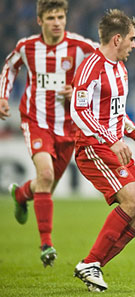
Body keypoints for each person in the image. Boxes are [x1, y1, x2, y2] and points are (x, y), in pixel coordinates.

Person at [0, 0, 97, 267]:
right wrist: (2, 97)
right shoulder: (26, 47)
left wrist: (79, 87)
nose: (57, 22)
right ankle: (46, 245)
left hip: (68, 127)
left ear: (66, 18)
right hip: (36, 120)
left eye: (61, 17)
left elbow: (101, 68)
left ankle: (21, 195)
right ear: (40, 21)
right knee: (45, 175)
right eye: (51, 17)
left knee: (46, 186)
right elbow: (9, 68)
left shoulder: (81, 46)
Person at [70, 9, 135, 292]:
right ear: (117, 39)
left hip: (113, 145)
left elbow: (117, 115)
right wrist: (112, 139)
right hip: (93, 146)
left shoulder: (120, 69)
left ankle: (92, 266)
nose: (134, 45)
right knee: (132, 199)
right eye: (132, 39)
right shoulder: (90, 67)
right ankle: (90, 263)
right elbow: (79, 110)